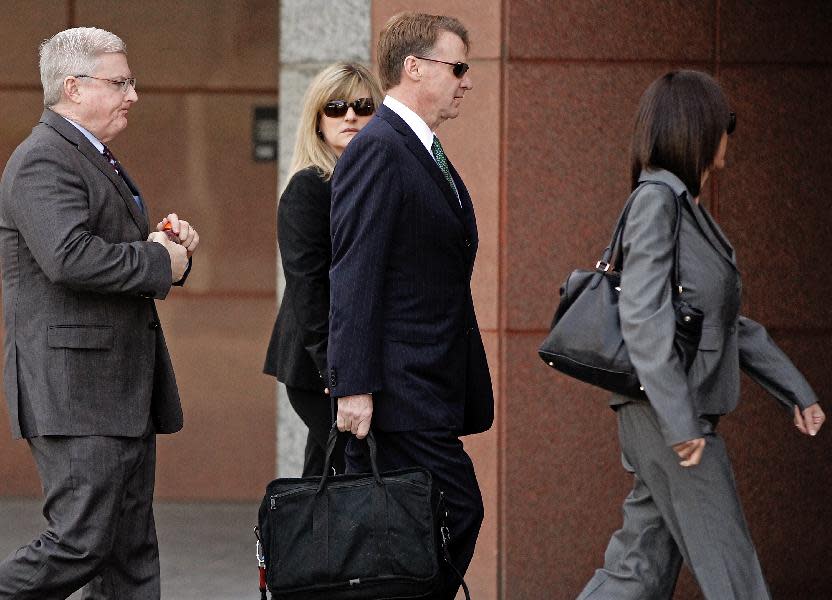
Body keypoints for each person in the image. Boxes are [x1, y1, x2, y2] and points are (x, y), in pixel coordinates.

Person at [577, 70, 825, 600]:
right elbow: (643, 317)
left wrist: (794, 389)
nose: (729, 134)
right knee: (736, 581)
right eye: (726, 122)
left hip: (671, 417)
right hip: (673, 419)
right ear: (697, 128)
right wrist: (680, 421)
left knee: (636, 573)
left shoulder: (684, 209)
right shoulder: (656, 202)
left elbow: (723, 322)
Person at [0, 27, 199, 599]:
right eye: (120, 82)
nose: (133, 94)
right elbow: (67, 257)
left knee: (129, 553)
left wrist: (162, 243)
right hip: (77, 394)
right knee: (81, 543)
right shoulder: (42, 159)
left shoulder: (86, 154)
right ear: (73, 87)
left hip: (112, 393)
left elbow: (94, 245)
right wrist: (159, 260)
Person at [327, 12, 494, 599]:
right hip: (398, 388)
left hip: (427, 382)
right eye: (458, 67)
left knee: (417, 528)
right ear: (415, 68)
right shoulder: (379, 148)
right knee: (455, 510)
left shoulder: (419, 147)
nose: (466, 81)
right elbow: (354, 271)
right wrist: (353, 386)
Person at [263, 63, 383, 477]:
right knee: (351, 472)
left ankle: (306, 543)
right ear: (318, 121)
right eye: (335, 107)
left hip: (350, 360)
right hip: (318, 366)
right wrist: (340, 375)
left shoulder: (369, 184)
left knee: (328, 473)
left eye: (362, 106)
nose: (349, 115)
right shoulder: (308, 188)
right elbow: (308, 291)